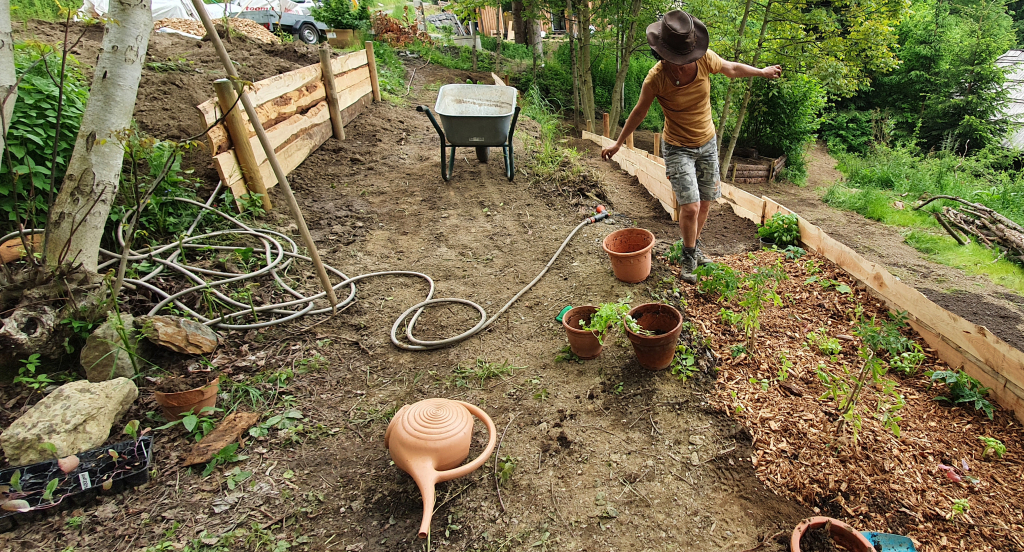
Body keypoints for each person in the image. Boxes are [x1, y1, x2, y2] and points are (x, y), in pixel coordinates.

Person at [601, 10, 781, 282]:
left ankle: (692, 248)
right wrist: (617, 144)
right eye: (678, 59)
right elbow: (638, 113)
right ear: (663, 54)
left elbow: (731, 68)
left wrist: (762, 72)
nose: (685, 63)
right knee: (691, 207)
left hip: (707, 143)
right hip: (677, 147)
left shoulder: (705, 60)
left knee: (707, 202)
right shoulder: (655, 79)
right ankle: (688, 258)